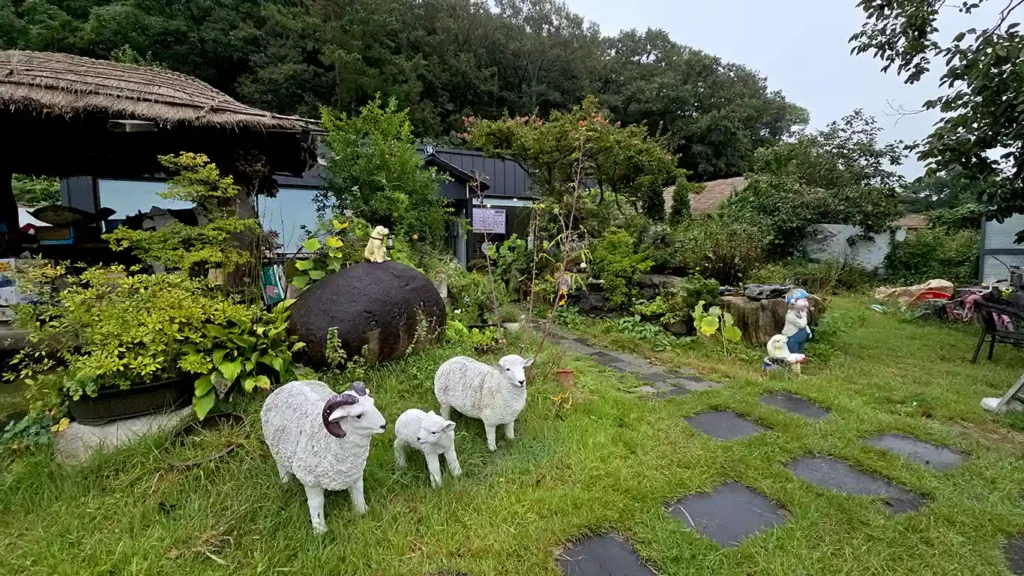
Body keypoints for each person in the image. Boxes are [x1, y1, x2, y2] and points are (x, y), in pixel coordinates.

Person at [782, 289, 812, 354]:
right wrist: (804, 316)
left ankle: (801, 355)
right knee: (793, 351)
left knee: (801, 346)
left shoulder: (799, 312)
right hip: (791, 337)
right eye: (803, 300)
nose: (806, 303)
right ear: (793, 302)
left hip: (797, 334)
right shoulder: (790, 315)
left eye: (806, 300)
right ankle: (794, 356)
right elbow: (802, 325)